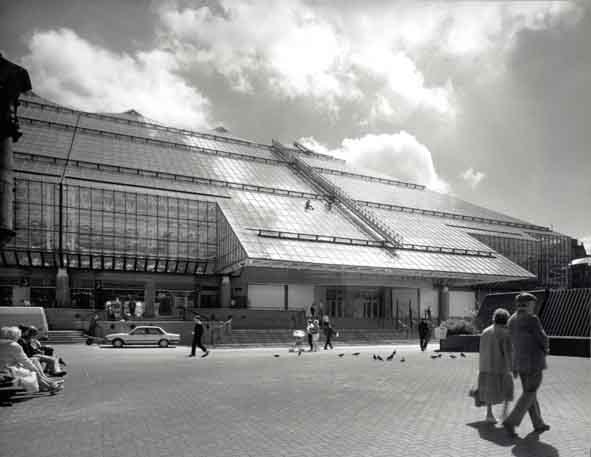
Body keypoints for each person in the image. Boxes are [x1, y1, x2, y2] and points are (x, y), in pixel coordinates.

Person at [502, 292, 550, 438]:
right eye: (533, 304)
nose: (533, 307)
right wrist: (546, 348)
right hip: (534, 362)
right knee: (530, 393)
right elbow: (542, 338)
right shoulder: (532, 319)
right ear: (528, 304)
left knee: (530, 394)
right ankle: (511, 420)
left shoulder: (511, 320)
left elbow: (510, 344)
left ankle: (538, 423)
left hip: (519, 363)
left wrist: (513, 365)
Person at [0, 326, 63, 393]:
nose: (18, 337)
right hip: (9, 369)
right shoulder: (13, 345)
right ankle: (50, 386)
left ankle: (48, 382)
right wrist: (34, 369)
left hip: (4, 367)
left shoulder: (3, 343)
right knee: (33, 372)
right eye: (18, 335)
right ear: (14, 336)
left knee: (33, 361)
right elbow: (24, 360)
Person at [477, 308, 513, 424]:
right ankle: (504, 415)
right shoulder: (505, 333)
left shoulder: (485, 331)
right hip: (500, 367)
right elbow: (507, 352)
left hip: (485, 366)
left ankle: (489, 414)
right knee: (508, 391)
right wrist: (511, 368)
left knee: (489, 392)